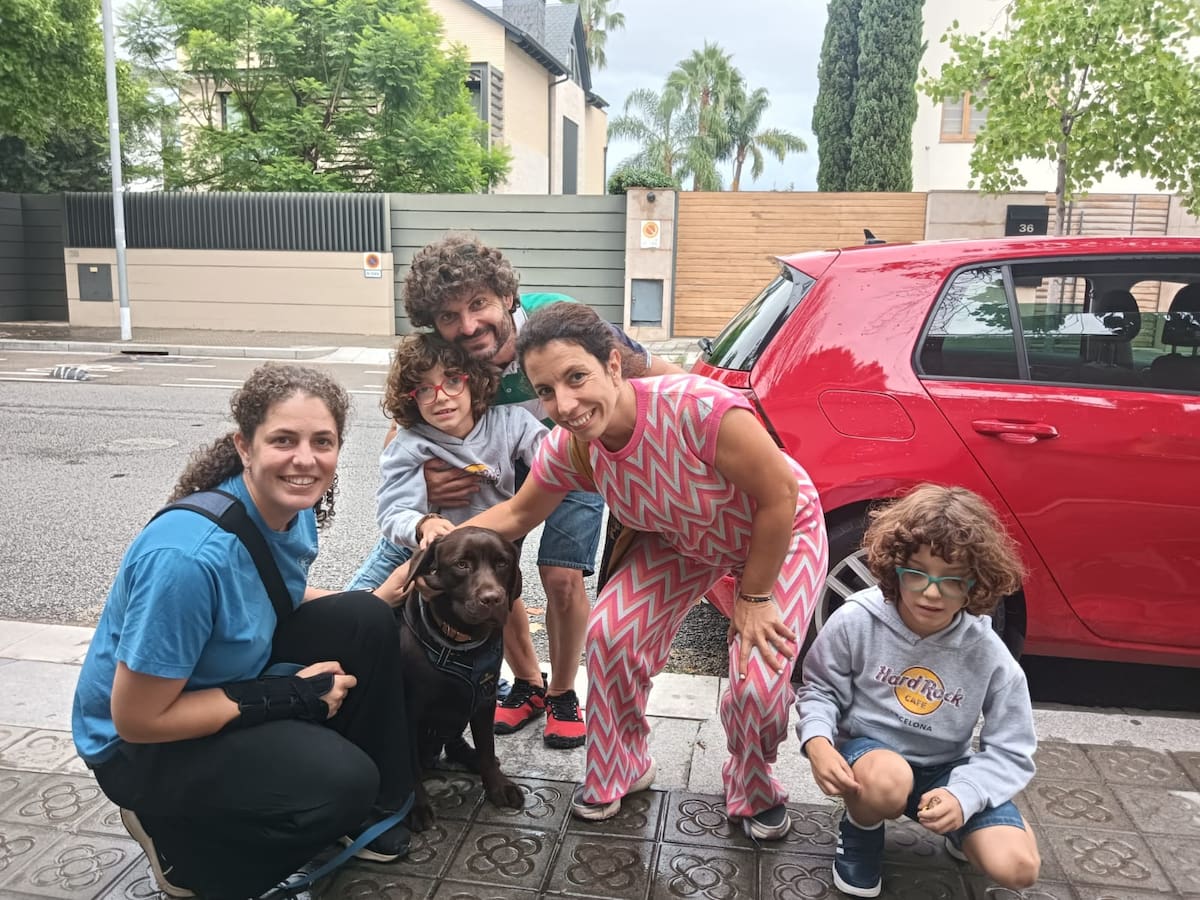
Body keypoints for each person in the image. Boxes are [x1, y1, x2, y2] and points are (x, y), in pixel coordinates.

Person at [423, 302, 828, 838]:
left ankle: (753, 785)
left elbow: (779, 494)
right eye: (546, 391)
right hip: (682, 539)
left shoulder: (697, 408)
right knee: (612, 635)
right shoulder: (571, 447)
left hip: (779, 533)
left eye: (576, 377)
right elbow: (518, 513)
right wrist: (433, 544)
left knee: (758, 680)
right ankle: (623, 766)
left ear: (613, 365)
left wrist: (753, 598)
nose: (565, 405)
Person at [72, 364, 418, 900]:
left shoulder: (290, 508)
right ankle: (188, 855)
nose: (305, 460)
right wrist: (291, 696)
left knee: (365, 618)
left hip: (210, 685)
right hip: (140, 747)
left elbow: (268, 591)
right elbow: (136, 720)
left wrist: (373, 602)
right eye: (283, 440)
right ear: (244, 446)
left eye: (321, 442)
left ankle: (370, 813)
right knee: (340, 782)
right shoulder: (186, 561)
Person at [390, 233, 682, 750]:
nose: (468, 325)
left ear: (507, 295)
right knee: (489, 572)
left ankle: (564, 692)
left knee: (561, 576)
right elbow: (405, 422)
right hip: (501, 468)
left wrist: (717, 423)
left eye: (478, 304)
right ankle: (527, 682)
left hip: (575, 453)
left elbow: (658, 375)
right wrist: (425, 478)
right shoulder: (452, 350)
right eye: (449, 316)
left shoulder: (558, 322)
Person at [795, 484, 1040, 898]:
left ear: (975, 583)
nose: (931, 592)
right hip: (872, 759)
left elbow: (1012, 747)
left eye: (952, 579)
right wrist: (817, 741)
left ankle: (961, 824)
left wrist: (966, 795)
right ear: (895, 567)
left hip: (946, 770)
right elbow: (818, 689)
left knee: (1018, 867)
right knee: (889, 780)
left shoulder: (988, 651)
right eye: (917, 573)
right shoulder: (857, 619)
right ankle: (861, 827)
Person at [345, 332, 546, 594]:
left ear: (474, 380)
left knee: (491, 610)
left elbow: (555, 457)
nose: (440, 397)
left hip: (477, 555)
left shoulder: (511, 423)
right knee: (358, 609)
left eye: (452, 381)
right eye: (424, 389)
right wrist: (423, 524)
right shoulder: (410, 443)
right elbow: (394, 511)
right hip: (412, 550)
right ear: (411, 398)